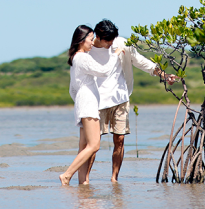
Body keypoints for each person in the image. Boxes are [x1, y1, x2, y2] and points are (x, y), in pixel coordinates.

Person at [83, 19, 176, 182]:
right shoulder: (87, 50)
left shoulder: (122, 44)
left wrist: (164, 75)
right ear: (98, 36)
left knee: (119, 140)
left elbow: (141, 62)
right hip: (96, 102)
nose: (111, 43)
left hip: (120, 99)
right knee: (93, 145)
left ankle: (114, 179)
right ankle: (85, 180)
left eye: (113, 40)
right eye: (108, 41)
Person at [59, 25, 125, 186]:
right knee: (94, 145)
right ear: (81, 40)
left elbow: (72, 88)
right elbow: (103, 71)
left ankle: (83, 183)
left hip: (84, 102)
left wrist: (79, 101)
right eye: (90, 39)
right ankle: (67, 175)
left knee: (84, 146)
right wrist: (115, 55)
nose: (92, 42)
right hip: (87, 103)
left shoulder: (76, 57)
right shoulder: (82, 57)